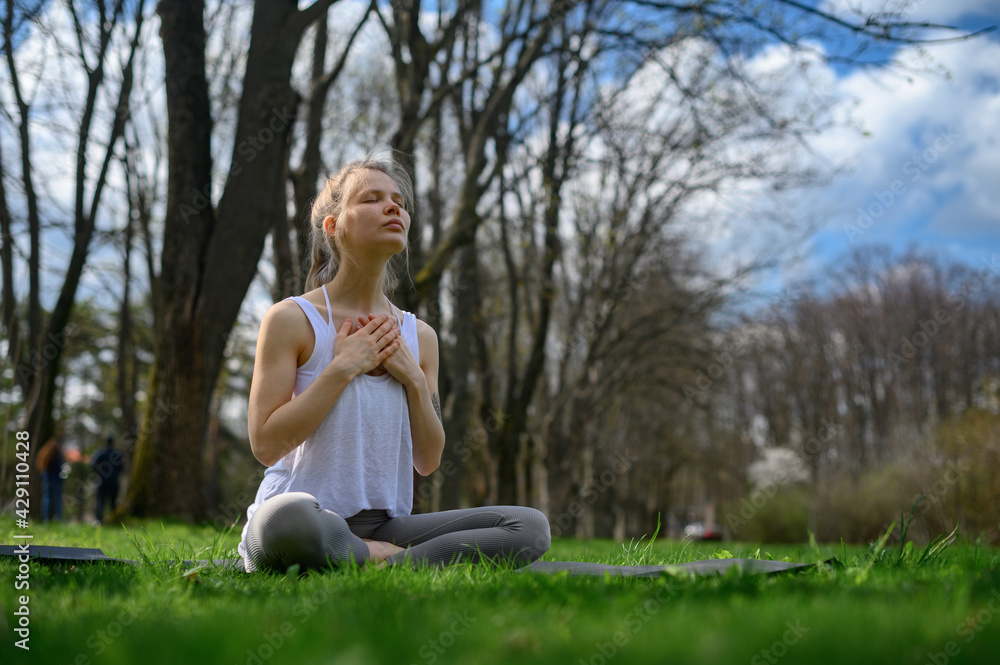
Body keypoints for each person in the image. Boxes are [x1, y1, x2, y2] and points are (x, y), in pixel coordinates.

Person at [238, 155, 550, 573]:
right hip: (302, 516)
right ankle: (391, 560)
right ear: (334, 227)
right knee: (283, 523)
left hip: (386, 525)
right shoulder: (292, 320)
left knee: (528, 527)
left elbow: (430, 458)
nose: (394, 208)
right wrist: (342, 367)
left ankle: (374, 557)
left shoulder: (420, 337)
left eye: (399, 202)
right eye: (372, 199)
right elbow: (265, 444)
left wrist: (414, 380)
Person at [91, 436, 125, 524]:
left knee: (100, 501)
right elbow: (122, 467)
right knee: (113, 502)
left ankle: (98, 520)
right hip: (114, 481)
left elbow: (93, 463)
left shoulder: (101, 452)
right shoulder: (117, 453)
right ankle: (113, 519)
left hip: (102, 481)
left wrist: (99, 473)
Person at [36, 436, 66, 522]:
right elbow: (60, 468)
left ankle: (45, 519)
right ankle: (58, 518)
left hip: (47, 479)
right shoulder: (57, 455)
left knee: (46, 499)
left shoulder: (45, 456)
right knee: (57, 501)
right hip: (56, 480)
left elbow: (42, 470)